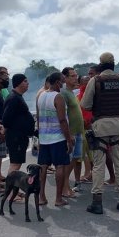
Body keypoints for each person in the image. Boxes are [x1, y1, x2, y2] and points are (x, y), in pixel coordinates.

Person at [80, 52, 119, 214]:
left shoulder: (95, 80)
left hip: (100, 127)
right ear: (113, 64)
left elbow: (85, 104)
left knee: (98, 165)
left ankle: (97, 203)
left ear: (100, 65)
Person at [37, 72, 74, 207]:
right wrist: (69, 139)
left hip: (44, 137)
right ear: (58, 82)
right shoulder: (58, 97)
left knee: (43, 167)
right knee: (60, 166)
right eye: (62, 82)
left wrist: (40, 137)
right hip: (57, 137)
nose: (63, 85)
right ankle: (58, 199)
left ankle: (41, 197)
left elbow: (39, 118)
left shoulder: (41, 96)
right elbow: (63, 120)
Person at [1, 74, 35, 201]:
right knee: (15, 165)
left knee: (16, 163)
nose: (27, 84)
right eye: (25, 81)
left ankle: (11, 191)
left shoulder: (17, 97)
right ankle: (9, 193)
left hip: (19, 136)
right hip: (16, 137)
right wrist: (18, 129)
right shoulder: (14, 98)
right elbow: (6, 119)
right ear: (19, 83)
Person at [61, 67, 84, 196]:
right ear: (65, 78)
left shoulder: (72, 92)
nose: (76, 78)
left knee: (75, 159)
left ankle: (66, 186)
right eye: (72, 76)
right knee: (68, 161)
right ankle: (65, 187)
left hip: (78, 132)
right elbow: (63, 115)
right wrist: (68, 135)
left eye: (76, 75)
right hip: (72, 133)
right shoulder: (63, 93)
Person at [77, 75, 93, 183]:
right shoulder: (78, 96)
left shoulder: (93, 94)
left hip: (92, 127)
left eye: (89, 81)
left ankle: (90, 173)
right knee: (86, 153)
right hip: (82, 127)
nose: (87, 82)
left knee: (91, 153)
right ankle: (89, 173)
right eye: (85, 81)